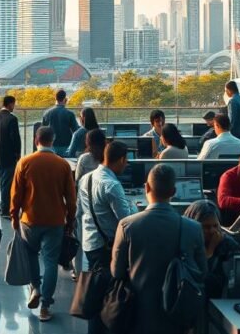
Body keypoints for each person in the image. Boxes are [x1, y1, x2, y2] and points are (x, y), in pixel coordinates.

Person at [111, 164, 206, 334]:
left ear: (146, 187)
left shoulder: (127, 226)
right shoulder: (193, 228)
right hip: (176, 313)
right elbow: (202, 272)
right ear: (174, 191)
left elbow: (117, 272)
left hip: (138, 313)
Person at [9, 126, 76, 322]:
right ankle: (46, 306)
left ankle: (35, 288)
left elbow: (15, 194)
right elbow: (71, 199)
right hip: (55, 221)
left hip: (30, 220)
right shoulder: (62, 165)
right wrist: (70, 220)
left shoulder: (25, 162)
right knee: (51, 261)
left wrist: (14, 216)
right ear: (52, 141)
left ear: (36, 140)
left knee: (31, 255)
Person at [77, 141, 135, 334]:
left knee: (95, 292)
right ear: (120, 160)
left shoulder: (86, 178)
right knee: (108, 297)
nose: (127, 165)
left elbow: (81, 210)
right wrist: (134, 206)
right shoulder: (112, 185)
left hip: (90, 242)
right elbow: (126, 221)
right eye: (126, 161)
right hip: (107, 247)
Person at [183, 200, 240, 299]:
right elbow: (199, 278)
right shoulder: (186, 243)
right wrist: (209, 252)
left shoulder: (227, 243)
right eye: (206, 227)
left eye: (215, 226)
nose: (212, 231)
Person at [0, 95, 21, 219]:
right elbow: (15, 139)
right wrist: (18, 154)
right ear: (10, 104)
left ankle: (4, 206)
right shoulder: (12, 119)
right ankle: (5, 209)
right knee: (7, 184)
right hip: (9, 157)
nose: (14, 107)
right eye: (14, 104)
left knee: (3, 182)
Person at [42, 90, 79, 155]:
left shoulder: (47, 113)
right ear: (65, 99)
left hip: (51, 145)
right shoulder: (70, 114)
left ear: (55, 98)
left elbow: (43, 131)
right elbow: (75, 131)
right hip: (66, 145)